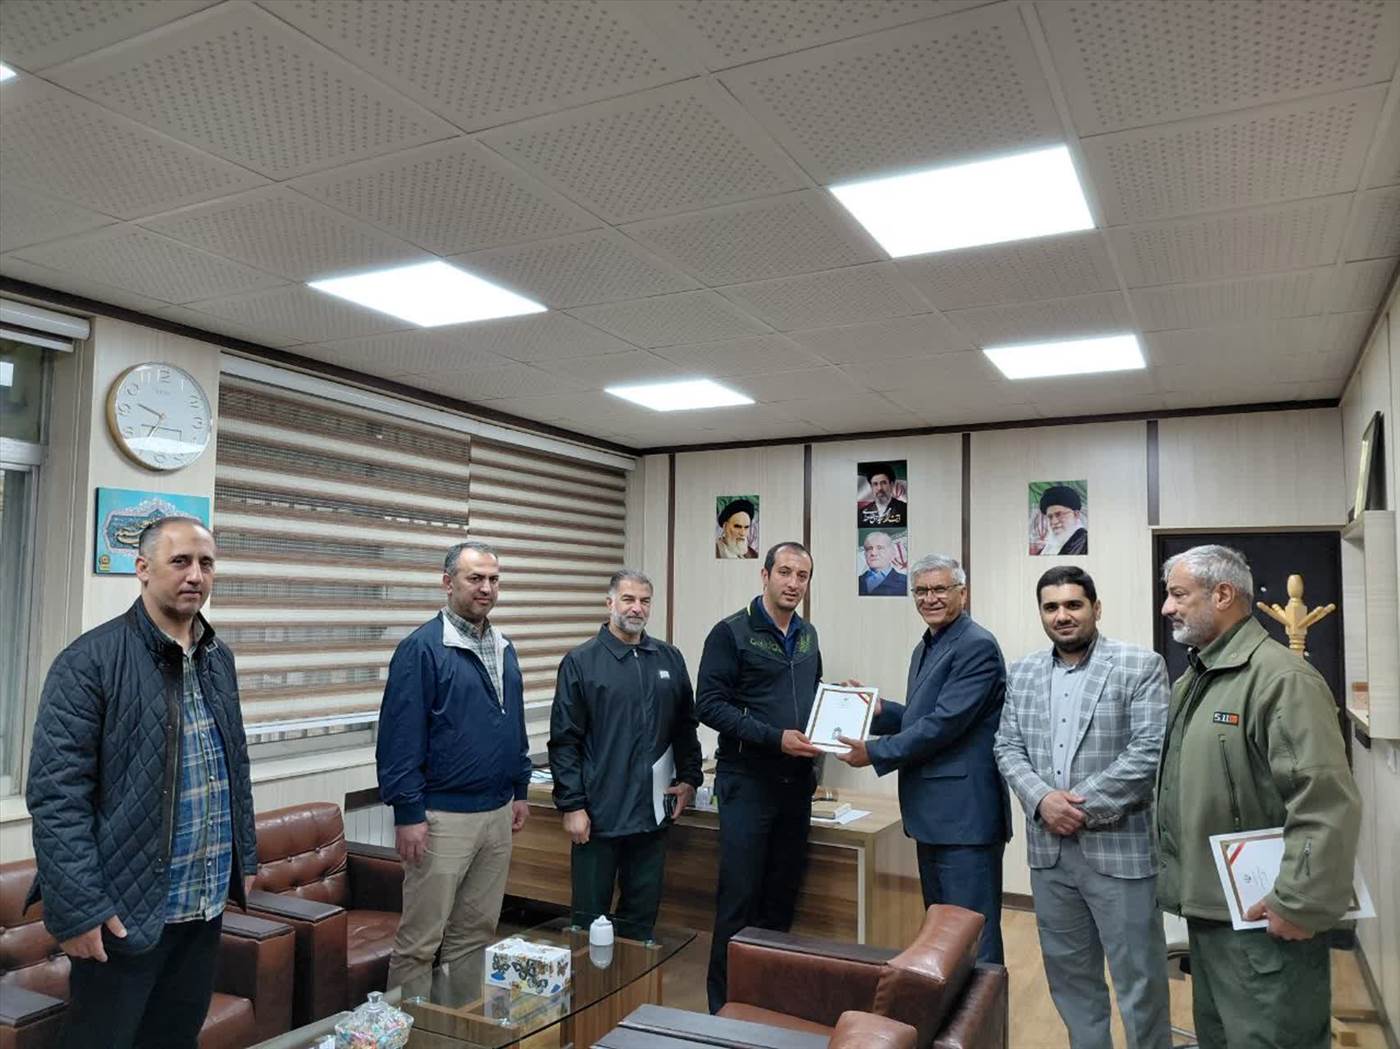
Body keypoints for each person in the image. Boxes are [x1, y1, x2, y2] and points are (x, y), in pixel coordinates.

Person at [25, 517, 257, 1049]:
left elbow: (233, 769)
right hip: (123, 915)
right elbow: (57, 797)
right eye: (180, 561)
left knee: (174, 1039)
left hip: (202, 905)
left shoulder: (218, 659)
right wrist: (79, 909)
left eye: (206, 563)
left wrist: (242, 861)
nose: (195, 575)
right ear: (143, 569)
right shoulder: (89, 662)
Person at [1157, 545, 1360, 1049]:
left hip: (1268, 922)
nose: (1167, 607)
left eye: (1178, 594)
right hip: (1212, 914)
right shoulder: (1197, 678)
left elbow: (1323, 799)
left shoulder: (1282, 679)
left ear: (1222, 594)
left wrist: (1298, 901)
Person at [995, 565, 1171, 1049]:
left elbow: (1148, 752)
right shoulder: (1023, 672)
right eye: (1051, 607)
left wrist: (1074, 808)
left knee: (1140, 982)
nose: (1062, 615)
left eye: (1073, 604)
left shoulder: (1139, 665)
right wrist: (1041, 800)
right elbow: (1007, 746)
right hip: (1050, 857)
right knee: (1071, 980)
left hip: (1119, 851)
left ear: (1096, 608)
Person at [835, 553, 1010, 963]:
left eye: (940, 589)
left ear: (962, 593)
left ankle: (984, 1008)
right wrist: (878, 710)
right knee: (943, 933)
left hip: (964, 820)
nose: (930, 598)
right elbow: (923, 717)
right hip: (933, 817)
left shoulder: (976, 646)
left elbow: (945, 724)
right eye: (921, 591)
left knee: (973, 934)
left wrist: (874, 752)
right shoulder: (927, 646)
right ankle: (951, 1007)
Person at [377, 541, 531, 1000]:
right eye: (475, 578)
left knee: (474, 936)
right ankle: (407, 1030)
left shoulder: (503, 647)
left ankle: (455, 1027)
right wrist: (408, 813)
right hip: (442, 819)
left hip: (497, 814)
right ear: (448, 583)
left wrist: (520, 788)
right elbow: (399, 739)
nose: (486, 588)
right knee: (419, 943)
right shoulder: (421, 649)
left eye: (494, 580)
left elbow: (514, 723)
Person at [696, 542, 823, 1012]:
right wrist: (774, 738)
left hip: (797, 786)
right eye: (785, 572)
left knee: (780, 899)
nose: (793, 583)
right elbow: (709, 705)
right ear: (765, 576)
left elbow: (813, 697)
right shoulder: (730, 633)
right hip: (747, 783)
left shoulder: (808, 635)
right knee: (740, 899)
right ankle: (724, 1006)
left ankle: (767, 1002)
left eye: (802, 576)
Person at [548, 569, 703, 940]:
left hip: (651, 817)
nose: (637, 608)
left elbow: (685, 726)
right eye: (629, 599)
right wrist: (572, 805)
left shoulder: (669, 658)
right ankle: (589, 980)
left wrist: (689, 778)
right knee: (588, 927)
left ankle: (632, 980)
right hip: (598, 818)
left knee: (640, 926)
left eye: (645, 601)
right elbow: (565, 741)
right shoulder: (581, 661)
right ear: (610, 603)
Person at [1036, 485, 1088, 555]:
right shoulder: (1047, 548)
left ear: (1076, 514)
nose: (1054, 522)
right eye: (1050, 517)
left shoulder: (1085, 542)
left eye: (1059, 515)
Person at [858, 462, 908, 528]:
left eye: (883, 483)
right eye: (875, 484)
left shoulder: (905, 509)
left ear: (891, 484)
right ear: (871, 487)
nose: (879, 488)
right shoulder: (861, 514)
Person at [858, 531, 907, 596]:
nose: (873, 553)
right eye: (869, 549)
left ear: (892, 553)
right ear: (865, 554)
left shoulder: (906, 583)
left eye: (880, 548)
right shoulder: (854, 582)